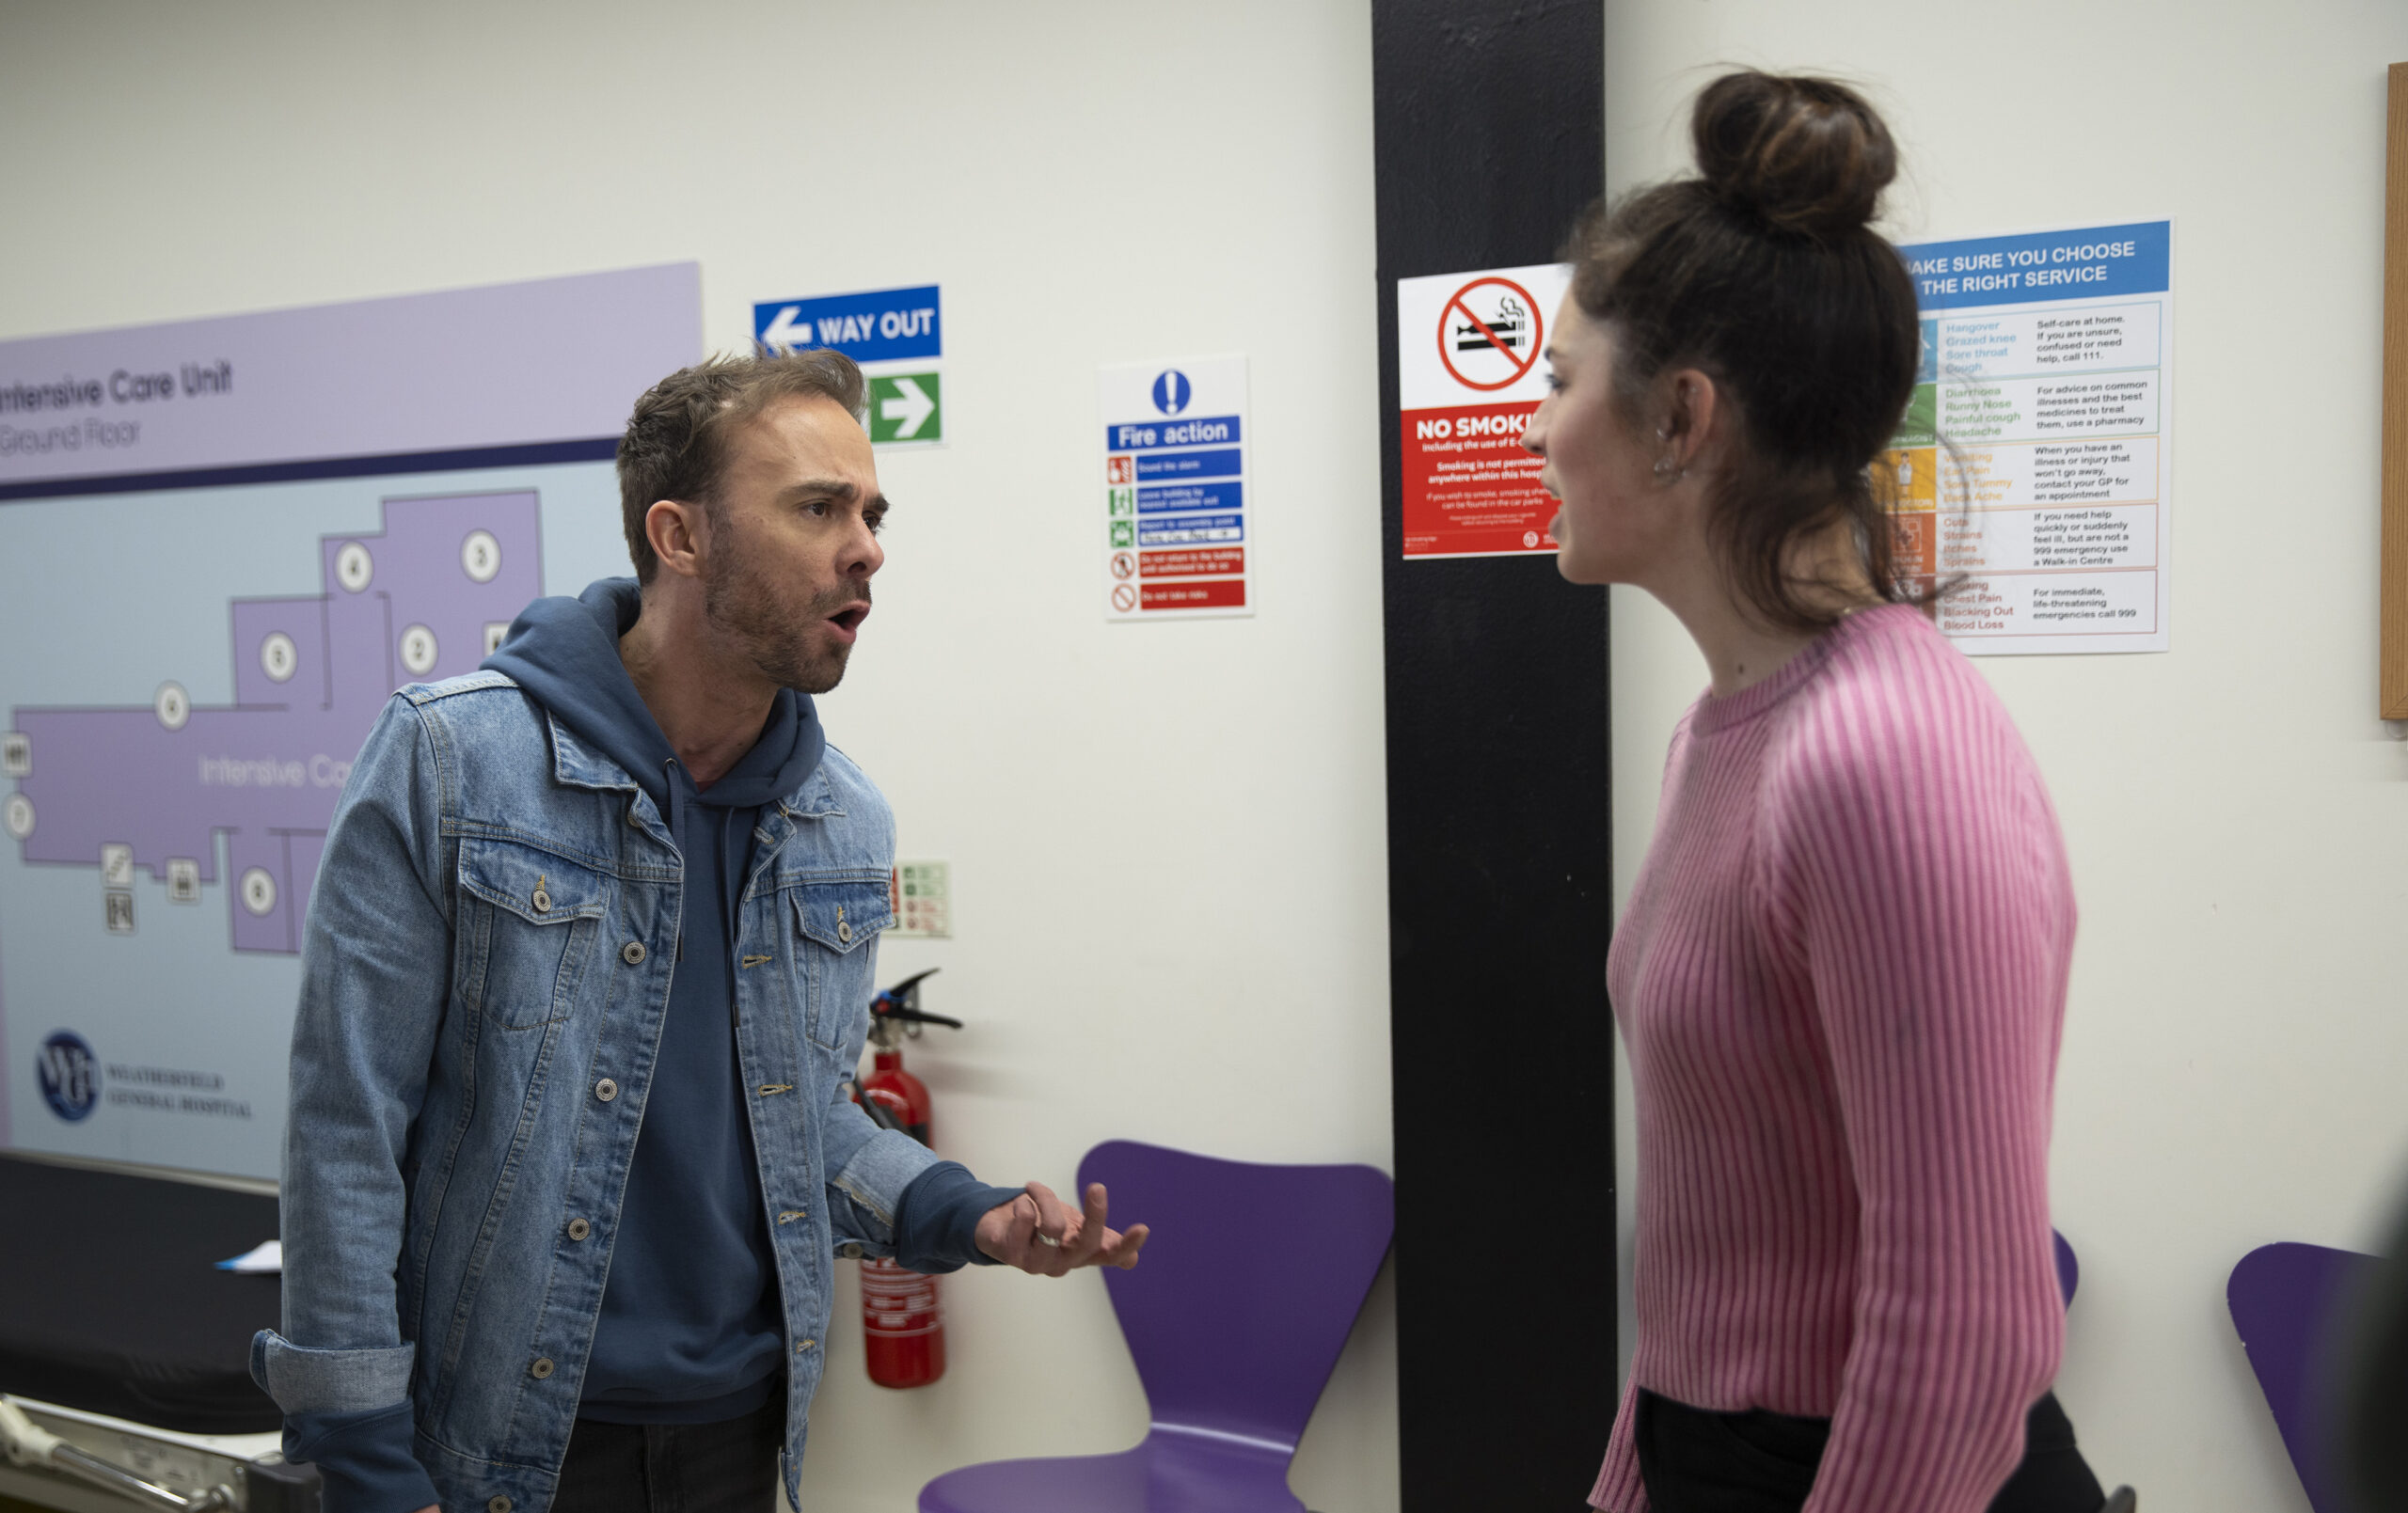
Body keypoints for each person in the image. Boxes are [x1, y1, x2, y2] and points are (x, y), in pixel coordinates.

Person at [250, 350, 1148, 1513]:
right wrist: (367, 1458)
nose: (866, 548)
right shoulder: (452, 761)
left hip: (738, 1427)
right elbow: (346, 1124)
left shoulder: (840, 821)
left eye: (871, 514)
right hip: (495, 1436)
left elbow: (798, 1114)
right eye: (817, 508)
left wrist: (966, 1212)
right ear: (678, 536)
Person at [1521, 72, 2113, 1513]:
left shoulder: (1881, 754)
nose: (1534, 431)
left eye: (1558, 382)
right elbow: (1711, 1277)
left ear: (1681, 418)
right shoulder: (1724, 733)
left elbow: (1968, 1333)